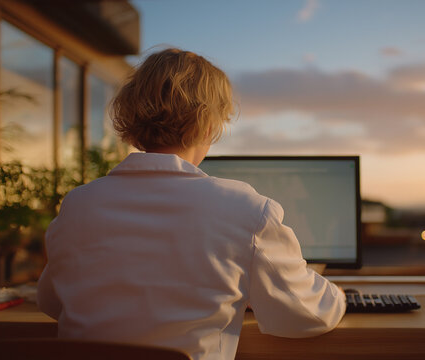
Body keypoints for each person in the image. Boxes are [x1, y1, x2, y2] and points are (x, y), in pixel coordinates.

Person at [37, 48, 346, 360]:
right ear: (210, 126)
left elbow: (52, 302)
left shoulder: (77, 205)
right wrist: (338, 296)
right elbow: (308, 314)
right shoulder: (247, 209)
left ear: (131, 119)